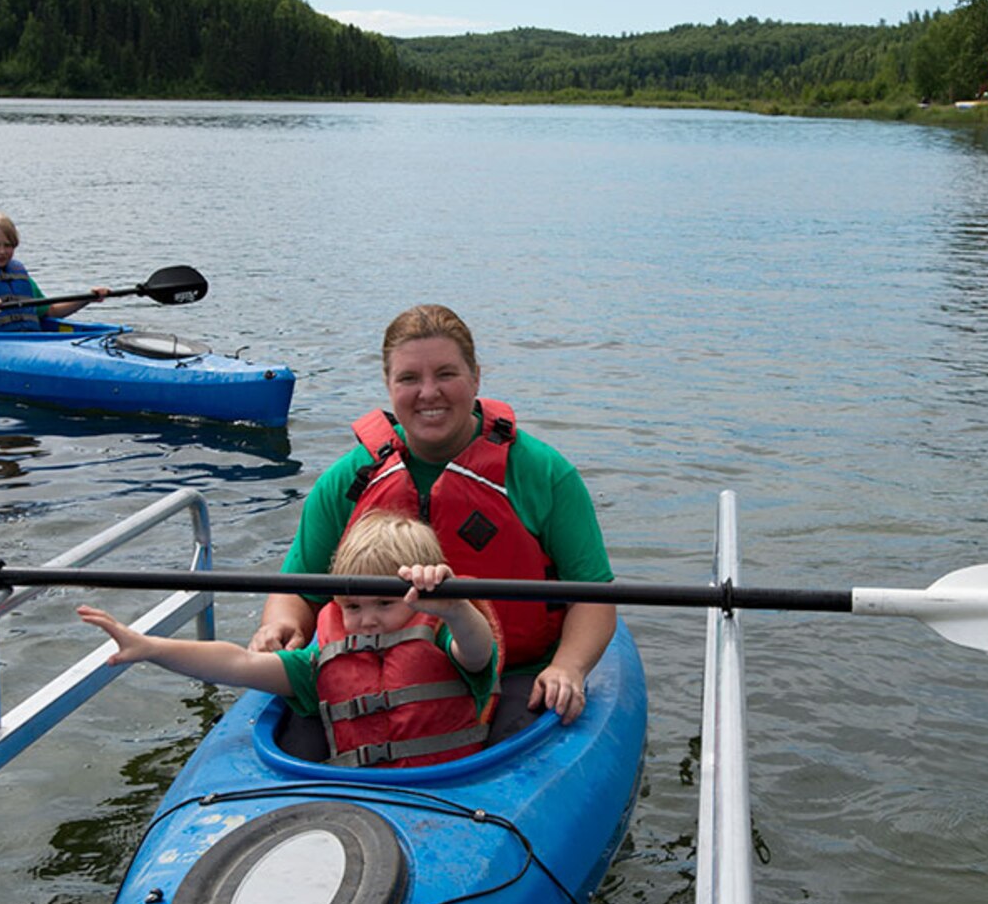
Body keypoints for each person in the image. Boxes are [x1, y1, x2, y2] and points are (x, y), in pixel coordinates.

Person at [248, 303, 615, 726]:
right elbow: (298, 588)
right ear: (388, 385)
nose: (428, 393)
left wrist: (568, 666)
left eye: (446, 374)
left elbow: (594, 594)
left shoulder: (544, 474)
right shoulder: (347, 480)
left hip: (509, 676)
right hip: (367, 675)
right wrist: (282, 625)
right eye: (409, 378)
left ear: (475, 376)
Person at [77, 511, 499, 768]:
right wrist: (151, 648)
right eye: (352, 608)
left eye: (384, 604)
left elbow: (478, 652)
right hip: (360, 791)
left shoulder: (448, 635)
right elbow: (238, 665)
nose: (367, 620)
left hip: (446, 790)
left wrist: (455, 606)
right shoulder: (323, 661)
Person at [0, 211, 108, 330]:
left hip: (29, 342)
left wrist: (87, 298)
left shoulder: (20, 276)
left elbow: (51, 311)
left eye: (8, 245)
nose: (2, 251)